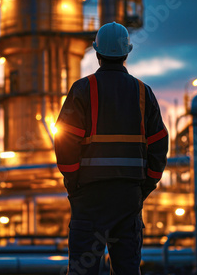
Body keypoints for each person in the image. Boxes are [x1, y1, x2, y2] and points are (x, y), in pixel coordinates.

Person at [54, 22, 169, 274]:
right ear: (126, 53)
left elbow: (65, 139)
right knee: (127, 269)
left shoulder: (83, 89)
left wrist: (73, 182)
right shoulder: (143, 92)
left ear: (97, 53)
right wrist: (145, 187)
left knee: (84, 269)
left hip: (90, 198)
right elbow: (159, 143)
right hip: (128, 197)